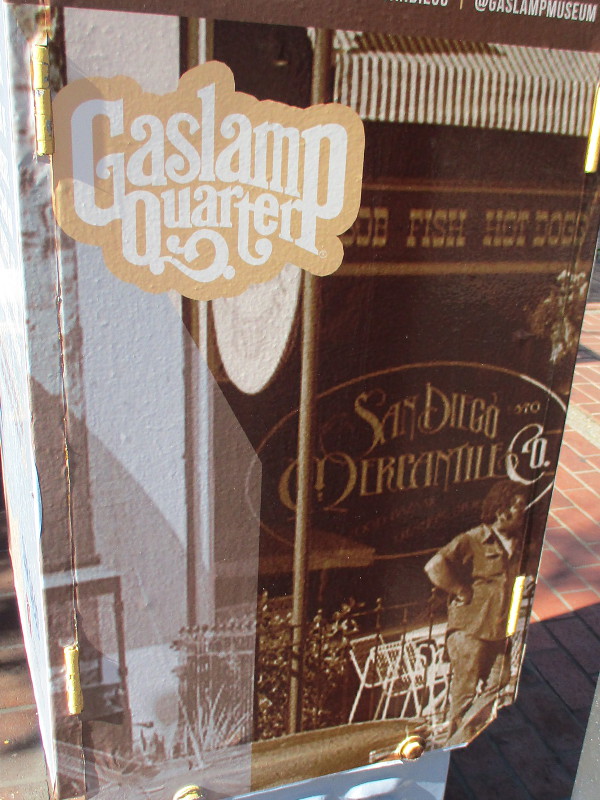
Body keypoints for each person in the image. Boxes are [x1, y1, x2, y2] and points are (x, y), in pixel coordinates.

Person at [424, 480, 527, 742]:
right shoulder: (473, 539)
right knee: (464, 694)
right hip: (470, 629)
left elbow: (515, 584)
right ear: (502, 511)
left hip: (498, 630)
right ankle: (458, 744)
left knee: (500, 680)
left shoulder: (519, 545)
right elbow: (434, 566)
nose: (523, 512)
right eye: (518, 506)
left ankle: (461, 738)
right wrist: (460, 590)